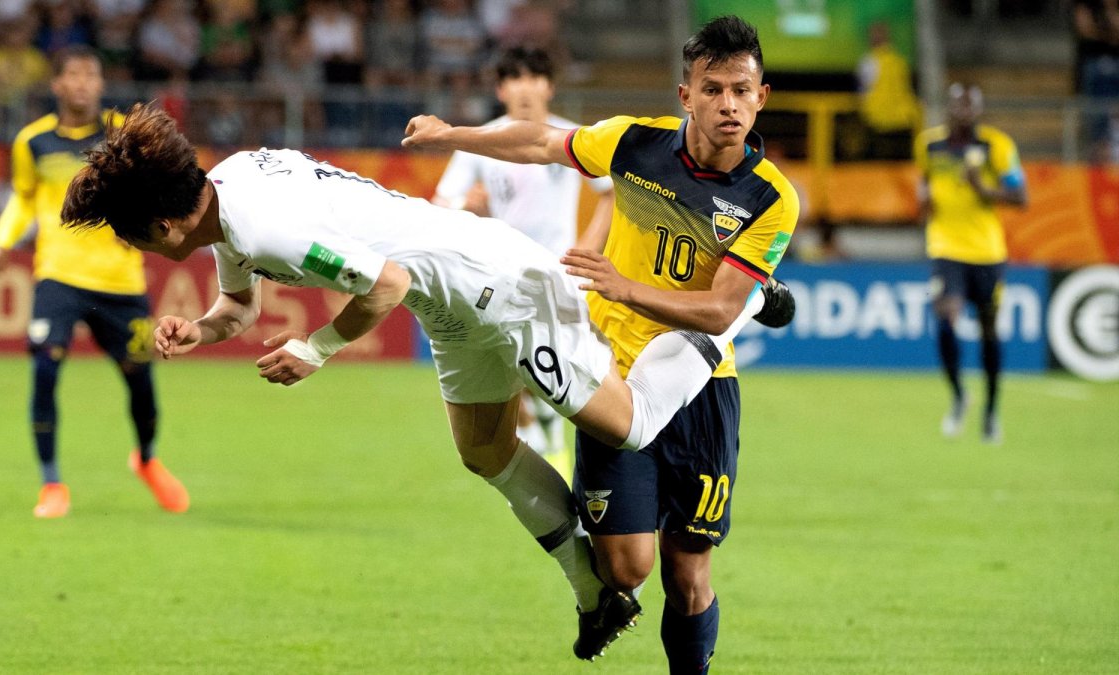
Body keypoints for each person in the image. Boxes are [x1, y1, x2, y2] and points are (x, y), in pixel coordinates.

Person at [59, 103, 793, 660]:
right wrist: (199, 329)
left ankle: (741, 309)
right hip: (444, 299)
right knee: (483, 449)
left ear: (160, 225)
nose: (138, 250)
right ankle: (595, 595)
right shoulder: (226, 192)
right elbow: (239, 305)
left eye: (130, 236)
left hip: (493, 282)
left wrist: (314, 349)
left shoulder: (262, 225)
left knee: (629, 422)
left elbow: (384, 282)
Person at [403, 14, 799, 671]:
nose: (727, 104)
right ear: (686, 96)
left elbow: (720, 308)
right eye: (712, 89)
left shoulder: (771, 199)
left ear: (761, 96)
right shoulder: (633, 144)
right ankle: (599, 590)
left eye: (740, 89)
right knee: (626, 568)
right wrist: (455, 134)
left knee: (687, 568)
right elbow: (539, 141)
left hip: (699, 387)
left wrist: (624, 286)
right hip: (610, 377)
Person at [0, 46, 189, 519]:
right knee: (45, 368)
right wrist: (0, 242)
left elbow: (155, 188)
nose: (81, 83)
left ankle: (148, 459)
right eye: (72, 75)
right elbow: (23, 199)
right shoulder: (32, 141)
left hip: (120, 281)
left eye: (90, 75)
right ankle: (52, 483)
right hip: (58, 274)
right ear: (56, 84)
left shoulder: (124, 134)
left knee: (140, 379)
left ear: (100, 83)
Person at [433, 46, 615, 476]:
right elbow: (441, 201)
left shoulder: (575, 138)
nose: (526, 88)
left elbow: (611, 192)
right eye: (515, 78)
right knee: (514, 361)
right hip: (502, 270)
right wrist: (465, 204)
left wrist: (589, 244)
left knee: (560, 364)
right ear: (501, 89)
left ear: (549, 86)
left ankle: (550, 432)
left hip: (559, 271)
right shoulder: (481, 140)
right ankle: (543, 435)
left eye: (535, 77)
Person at [914, 83, 1028, 444]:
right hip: (945, 246)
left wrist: (984, 190)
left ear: (978, 109)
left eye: (970, 105)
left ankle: (991, 410)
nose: (963, 111)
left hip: (986, 251)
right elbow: (925, 184)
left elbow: (1020, 196)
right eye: (957, 104)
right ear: (948, 108)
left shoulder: (996, 146)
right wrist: (924, 200)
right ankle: (960, 395)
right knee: (945, 317)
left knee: (989, 331)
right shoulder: (929, 145)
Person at [855, 20, 919, 160]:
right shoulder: (900, 61)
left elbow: (862, 89)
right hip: (903, 121)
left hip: (878, 122)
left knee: (879, 167)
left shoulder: (868, 62)